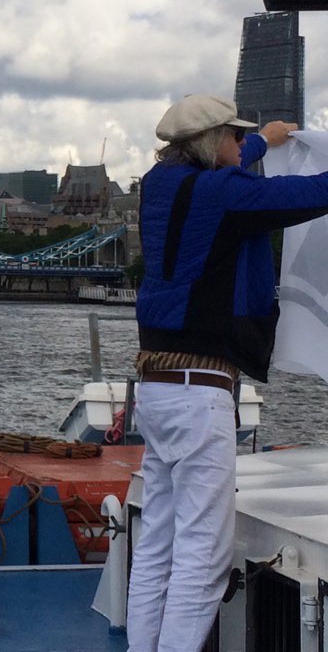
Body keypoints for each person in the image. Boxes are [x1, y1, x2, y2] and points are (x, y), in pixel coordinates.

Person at [127, 94, 328, 652]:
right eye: (237, 137)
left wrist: (271, 138)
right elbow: (308, 193)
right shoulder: (222, 195)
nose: (244, 146)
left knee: (158, 550)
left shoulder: (159, 183)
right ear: (212, 142)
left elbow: (229, 164)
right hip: (199, 398)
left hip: (159, 393)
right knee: (204, 556)